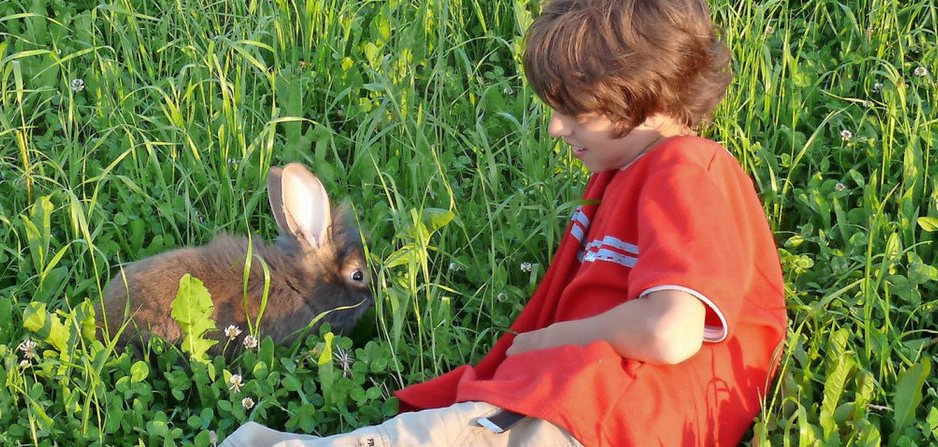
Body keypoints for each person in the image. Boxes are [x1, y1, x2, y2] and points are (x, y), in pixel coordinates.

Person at [222, 0, 787, 444]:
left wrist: (551, 338)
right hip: (580, 412)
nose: (555, 129)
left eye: (575, 112)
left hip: (592, 416)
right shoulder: (628, 180)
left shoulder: (691, 167)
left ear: (636, 98)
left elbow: (670, 330)